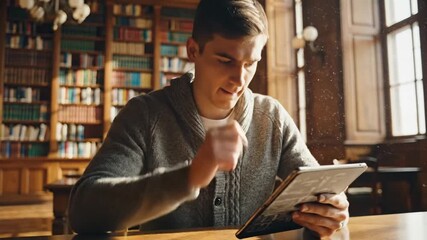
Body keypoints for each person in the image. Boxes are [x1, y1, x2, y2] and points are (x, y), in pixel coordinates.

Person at [68, 0, 349, 237]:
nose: (240, 79)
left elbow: (319, 191)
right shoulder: (144, 115)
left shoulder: (272, 116)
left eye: (250, 64)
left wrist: (330, 210)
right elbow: (82, 212)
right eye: (225, 60)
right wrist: (190, 177)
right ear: (193, 51)